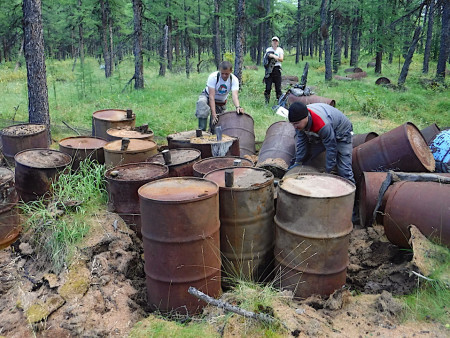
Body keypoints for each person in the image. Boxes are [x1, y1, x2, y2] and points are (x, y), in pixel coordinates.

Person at [288, 101, 355, 183]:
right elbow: (302, 143)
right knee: (308, 157)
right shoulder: (299, 121)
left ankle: (351, 190)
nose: (295, 127)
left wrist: (328, 172)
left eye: (296, 123)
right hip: (323, 132)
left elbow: (331, 147)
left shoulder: (322, 124)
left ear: (306, 117)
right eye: (292, 124)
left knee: (344, 170)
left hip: (341, 131)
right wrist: (298, 162)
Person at [195, 61, 244, 132]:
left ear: (231, 71)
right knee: (201, 103)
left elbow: (235, 96)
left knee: (216, 125)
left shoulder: (234, 80)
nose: (224, 75)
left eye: (226, 74)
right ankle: (202, 131)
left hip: (220, 102)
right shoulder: (213, 77)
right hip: (207, 96)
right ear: (219, 71)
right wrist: (213, 113)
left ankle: (212, 132)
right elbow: (211, 97)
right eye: (222, 73)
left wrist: (238, 107)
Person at [263, 36, 284, 104]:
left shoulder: (280, 50)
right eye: (273, 41)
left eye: (276, 41)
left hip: (277, 69)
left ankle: (280, 103)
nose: (275, 42)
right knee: (268, 87)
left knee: (278, 88)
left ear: (278, 43)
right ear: (271, 42)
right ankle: (267, 102)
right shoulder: (268, 49)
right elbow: (266, 57)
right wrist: (271, 55)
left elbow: (281, 59)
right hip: (269, 70)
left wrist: (275, 56)